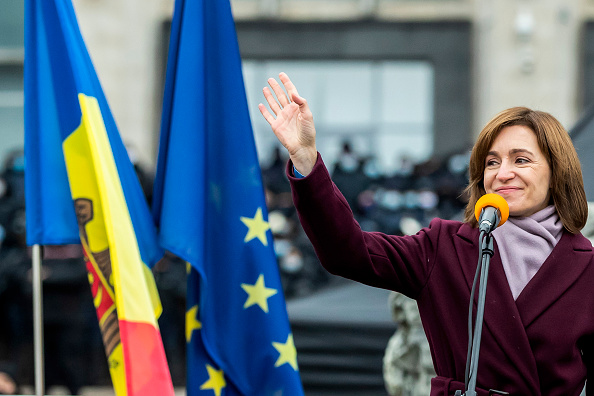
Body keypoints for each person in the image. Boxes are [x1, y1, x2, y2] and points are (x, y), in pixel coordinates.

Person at [258, 72, 593, 395]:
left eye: (521, 160)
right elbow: (348, 250)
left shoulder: (587, 267)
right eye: (492, 162)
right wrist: (306, 160)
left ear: (557, 172)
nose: (502, 173)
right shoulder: (444, 246)